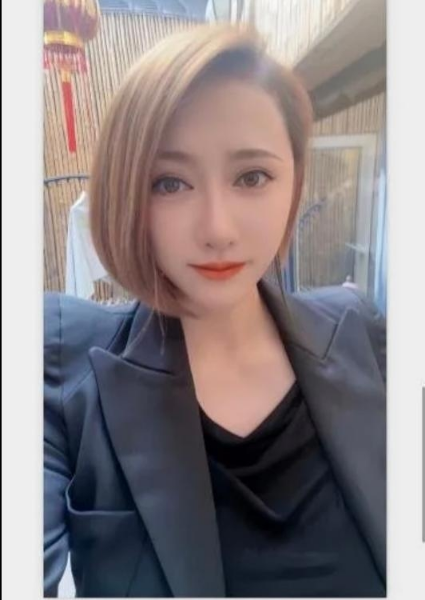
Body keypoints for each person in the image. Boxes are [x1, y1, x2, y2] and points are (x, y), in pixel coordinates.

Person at [44, 22, 386, 598]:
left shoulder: (363, 337)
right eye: (169, 183)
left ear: (295, 182)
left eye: (252, 177)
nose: (217, 229)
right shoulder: (63, 361)